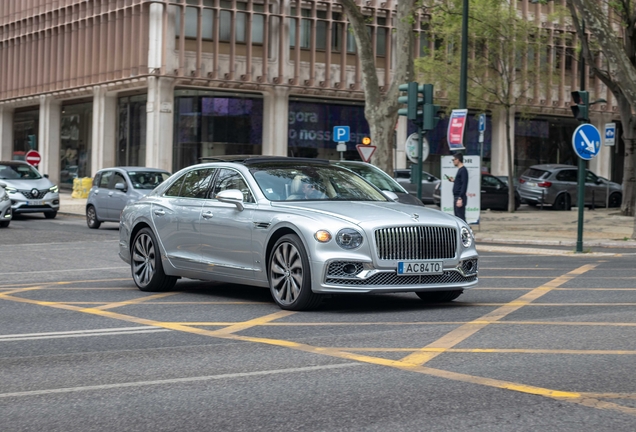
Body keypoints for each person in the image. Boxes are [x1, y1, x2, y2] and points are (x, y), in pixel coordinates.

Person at [448, 152, 468, 222]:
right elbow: (460, 182)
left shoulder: (463, 170)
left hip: (459, 197)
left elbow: (464, 184)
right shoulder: (460, 170)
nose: (453, 161)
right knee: (457, 217)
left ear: (458, 160)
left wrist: (460, 198)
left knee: (460, 217)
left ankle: (465, 231)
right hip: (457, 196)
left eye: (454, 160)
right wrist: (454, 181)